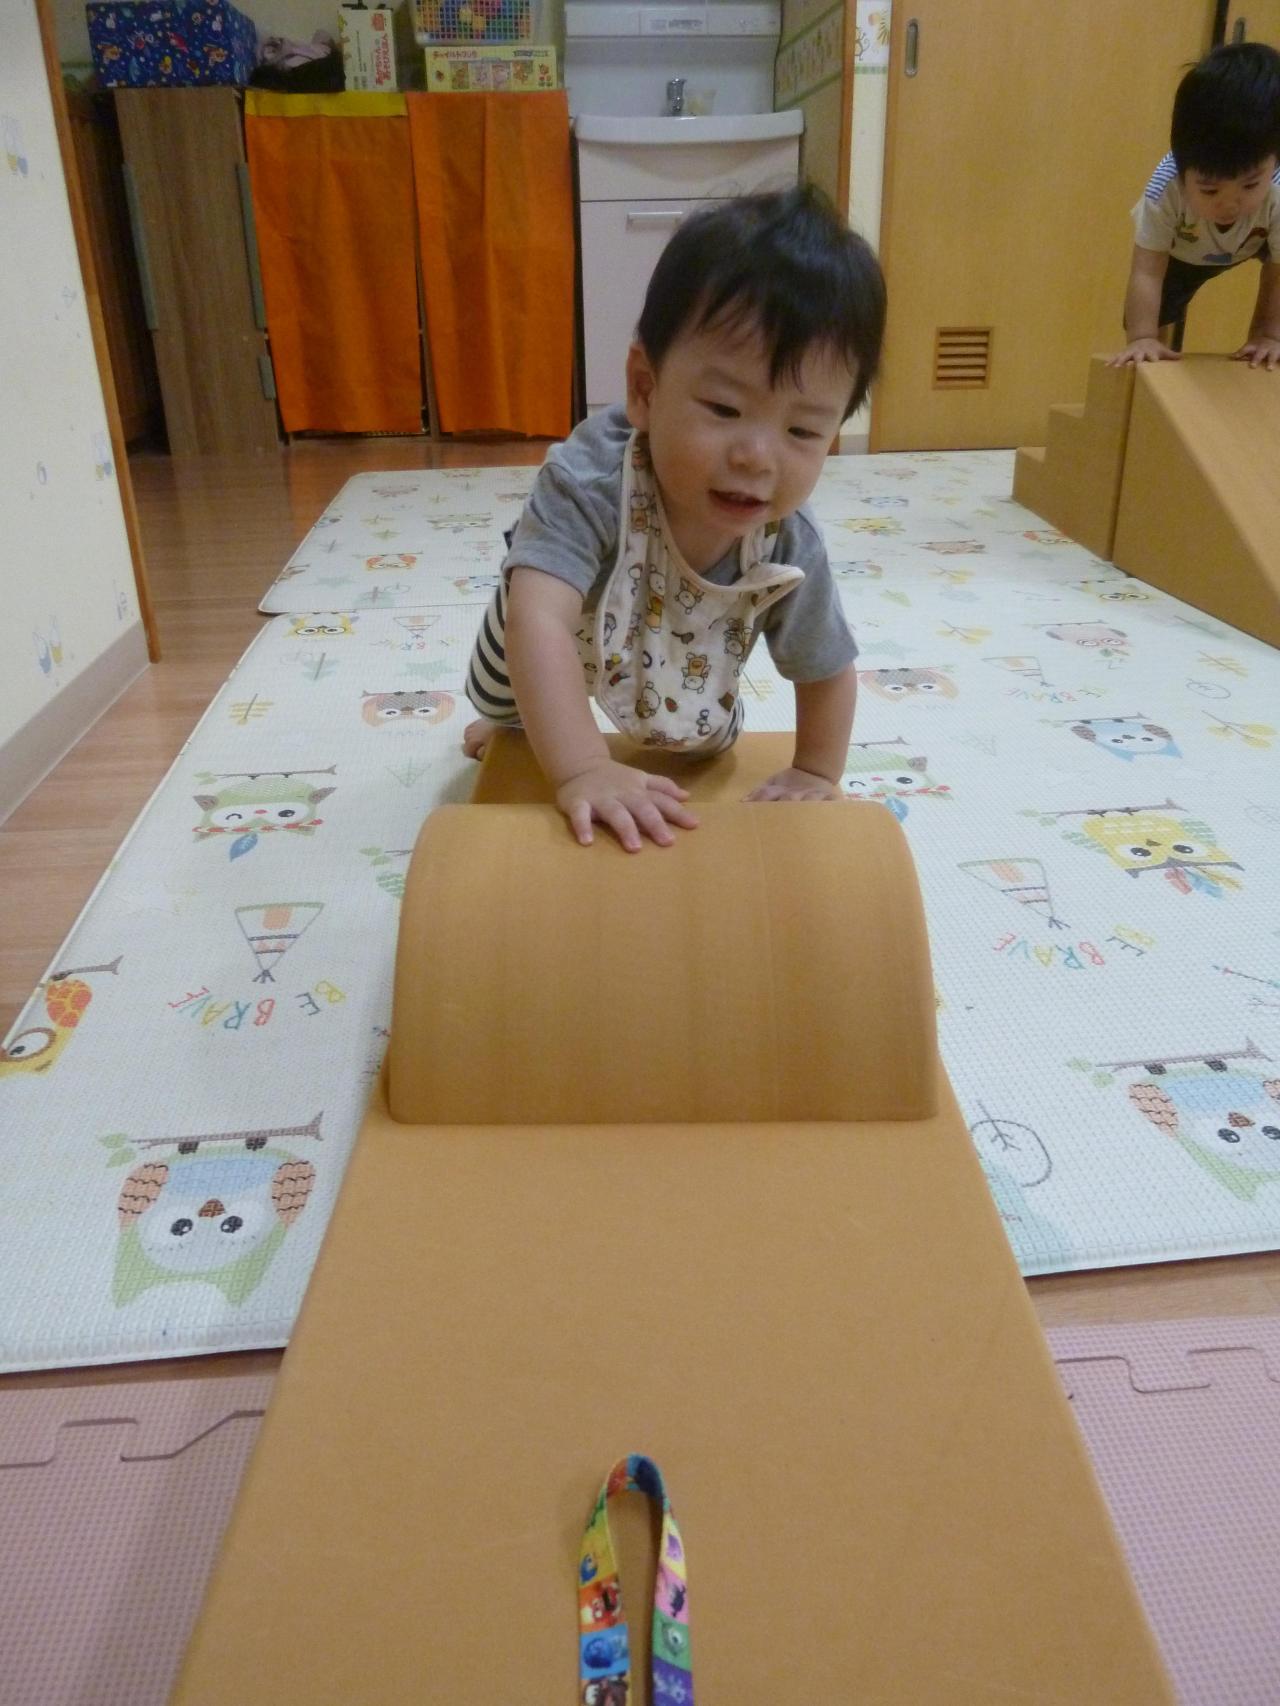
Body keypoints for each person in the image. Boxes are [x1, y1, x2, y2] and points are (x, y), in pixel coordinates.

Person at [463, 184, 887, 851]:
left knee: (702, 739)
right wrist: (583, 768)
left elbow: (826, 663)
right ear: (645, 388)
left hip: (680, 651)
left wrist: (815, 771)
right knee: (506, 685)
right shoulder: (588, 483)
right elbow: (537, 621)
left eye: (803, 431)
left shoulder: (788, 542)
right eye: (724, 409)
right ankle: (515, 723)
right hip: (568, 626)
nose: (756, 457)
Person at [1110, 41, 1280, 369]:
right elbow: (1147, 271)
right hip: (1185, 252)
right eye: (1209, 190)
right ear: (1183, 169)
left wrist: (1270, 336)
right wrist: (1141, 337)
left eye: (1249, 185)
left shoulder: (1276, 191)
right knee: (1150, 323)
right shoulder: (1165, 190)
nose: (1230, 205)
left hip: (1258, 235)